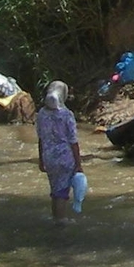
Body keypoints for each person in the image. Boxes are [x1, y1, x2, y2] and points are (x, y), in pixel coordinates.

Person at [36, 80, 83, 225]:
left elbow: (41, 138)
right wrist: (78, 163)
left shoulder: (41, 114)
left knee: (55, 189)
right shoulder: (66, 115)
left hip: (48, 156)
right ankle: (62, 220)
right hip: (64, 157)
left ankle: (55, 217)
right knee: (62, 191)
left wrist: (41, 159)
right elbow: (73, 141)